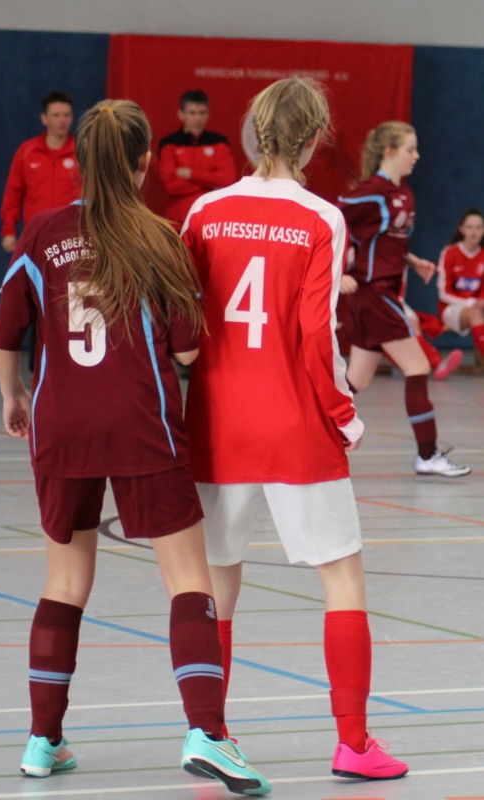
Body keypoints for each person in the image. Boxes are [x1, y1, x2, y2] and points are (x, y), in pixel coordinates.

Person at [0, 99, 270, 797]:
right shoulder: (159, 238)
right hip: (143, 423)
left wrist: (13, 396)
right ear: (146, 161)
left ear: (80, 161)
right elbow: (187, 349)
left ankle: (42, 740)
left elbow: (4, 335)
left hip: (61, 425)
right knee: (188, 579)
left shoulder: (41, 233)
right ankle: (207, 733)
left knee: (64, 583)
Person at [182, 77, 409, 781]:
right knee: (342, 578)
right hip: (294, 426)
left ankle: (211, 734)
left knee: (215, 587)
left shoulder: (204, 210)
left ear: (253, 132)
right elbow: (315, 335)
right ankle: (354, 744)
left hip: (215, 425)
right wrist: (343, 415)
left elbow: (181, 321)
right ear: (313, 140)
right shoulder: (320, 218)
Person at [338, 121, 470, 477]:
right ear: (390, 151)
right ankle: (427, 455)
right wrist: (337, 273)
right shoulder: (370, 192)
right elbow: (327, 223)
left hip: (381, 292)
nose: (417, 156)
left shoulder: (403, 192)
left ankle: (308, 433)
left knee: (357, 380)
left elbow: (385, 241)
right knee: (418, 366)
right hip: (374, 292)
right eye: (410, 149)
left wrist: (412, 261)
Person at [0, 90, 81, 254]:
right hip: (36, 235)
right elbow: (13, 193)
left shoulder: (82, 152)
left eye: (67, 115)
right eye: (56, 115)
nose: (62, 120)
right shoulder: (27, 151)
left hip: (72, 236)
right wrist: (8, 230)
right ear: (44, 118)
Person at [158, 89, 237, 230]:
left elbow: (228, 179)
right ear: (181, 114)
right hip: (177, 223)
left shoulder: (219, 142)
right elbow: (170, 186)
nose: (198, 118)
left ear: (208, 114)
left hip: (211, 220)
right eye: (192, 113)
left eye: (202, 113)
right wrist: (210, 184)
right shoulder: (168, 144)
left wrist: (189, 173)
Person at [437, 207, 484, 362]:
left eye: (478, 227)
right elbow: (443, 293)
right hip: (452, 309)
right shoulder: (449, 253)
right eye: (469, 227)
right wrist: (470, 302)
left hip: (478, 308)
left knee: (476, 312)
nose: (474, 232)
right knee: (474, 313)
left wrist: (479, 303)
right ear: (461, 229)